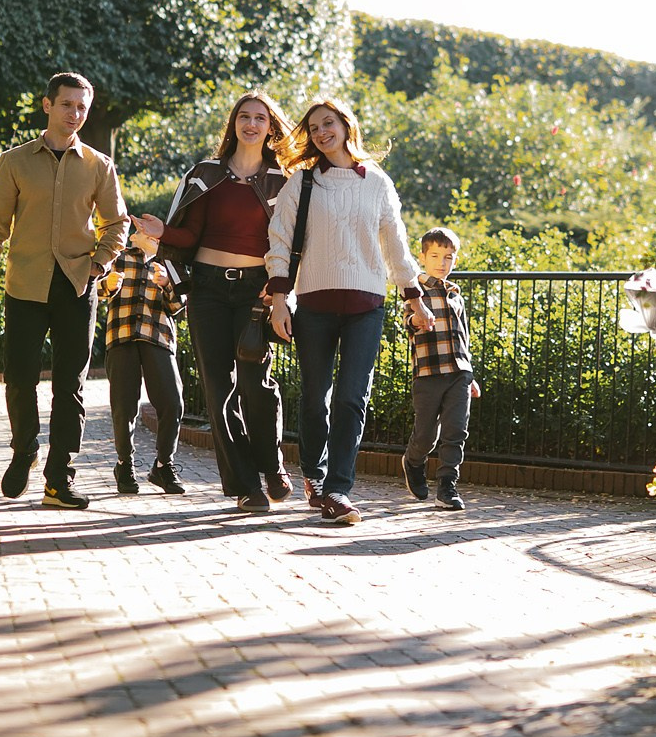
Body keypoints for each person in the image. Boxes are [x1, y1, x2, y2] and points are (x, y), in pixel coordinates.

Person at [0, 72, 127, 509]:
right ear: (47, 105)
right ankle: (25, 448)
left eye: (82, 107)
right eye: (67, 105)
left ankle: (59, 479)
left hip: (77, 286)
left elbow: (117, 224)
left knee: (69, 386)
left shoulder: (99, 165)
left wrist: (98, 265)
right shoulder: (14, 162)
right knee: (19, 378)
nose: (75, 114)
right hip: (25, 284)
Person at [265, 98, 423, 527]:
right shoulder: (302, 183)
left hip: (366, 307)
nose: (321, 132)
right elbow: (279, 240)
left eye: (328, 123)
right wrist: (279, 300)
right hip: (313, 305)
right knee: (315, 398)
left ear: (345, 125)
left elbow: (396, 245)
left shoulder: (377, 182)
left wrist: (414, 297)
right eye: (314, 127)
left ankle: (338, 489)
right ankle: (314, 476)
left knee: (352, 398)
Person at [144, 92, 292, 515]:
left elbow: (291, 242)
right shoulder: (205, 174)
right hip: (207, 291)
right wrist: (162, 232)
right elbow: (189, 236)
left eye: (260, 118)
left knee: (256, 384)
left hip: (255, 292)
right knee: (218, 388)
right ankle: (246, 485)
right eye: (244, 116)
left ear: (270, 127)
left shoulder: (283, 182)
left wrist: (279, 290)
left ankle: (271, 465)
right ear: (234, 123)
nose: (251, 124)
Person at [98, 225, 185, 495]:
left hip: (158, 336)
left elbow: (179, 305)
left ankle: (163, 465)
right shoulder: (118, 256)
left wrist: (167, 285)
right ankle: (124, 464)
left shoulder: (170, 261)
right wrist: (107, 285)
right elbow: (94, 290)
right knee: (123, 406)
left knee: (172, 401)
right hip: (121, 335)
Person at [401, 226, 480, 511]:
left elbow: (463, 337)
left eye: (448, 257)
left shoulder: (455, 295)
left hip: (459, 373)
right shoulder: (415, 290)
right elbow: (407, 321)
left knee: (456, 430)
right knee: (426, 435)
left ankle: (447, 486)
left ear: (455, 260)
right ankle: (413, 461)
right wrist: (416, 320)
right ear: (422, 257)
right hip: (428, 374)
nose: (441, 263)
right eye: (434, 256)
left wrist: (470, 374)